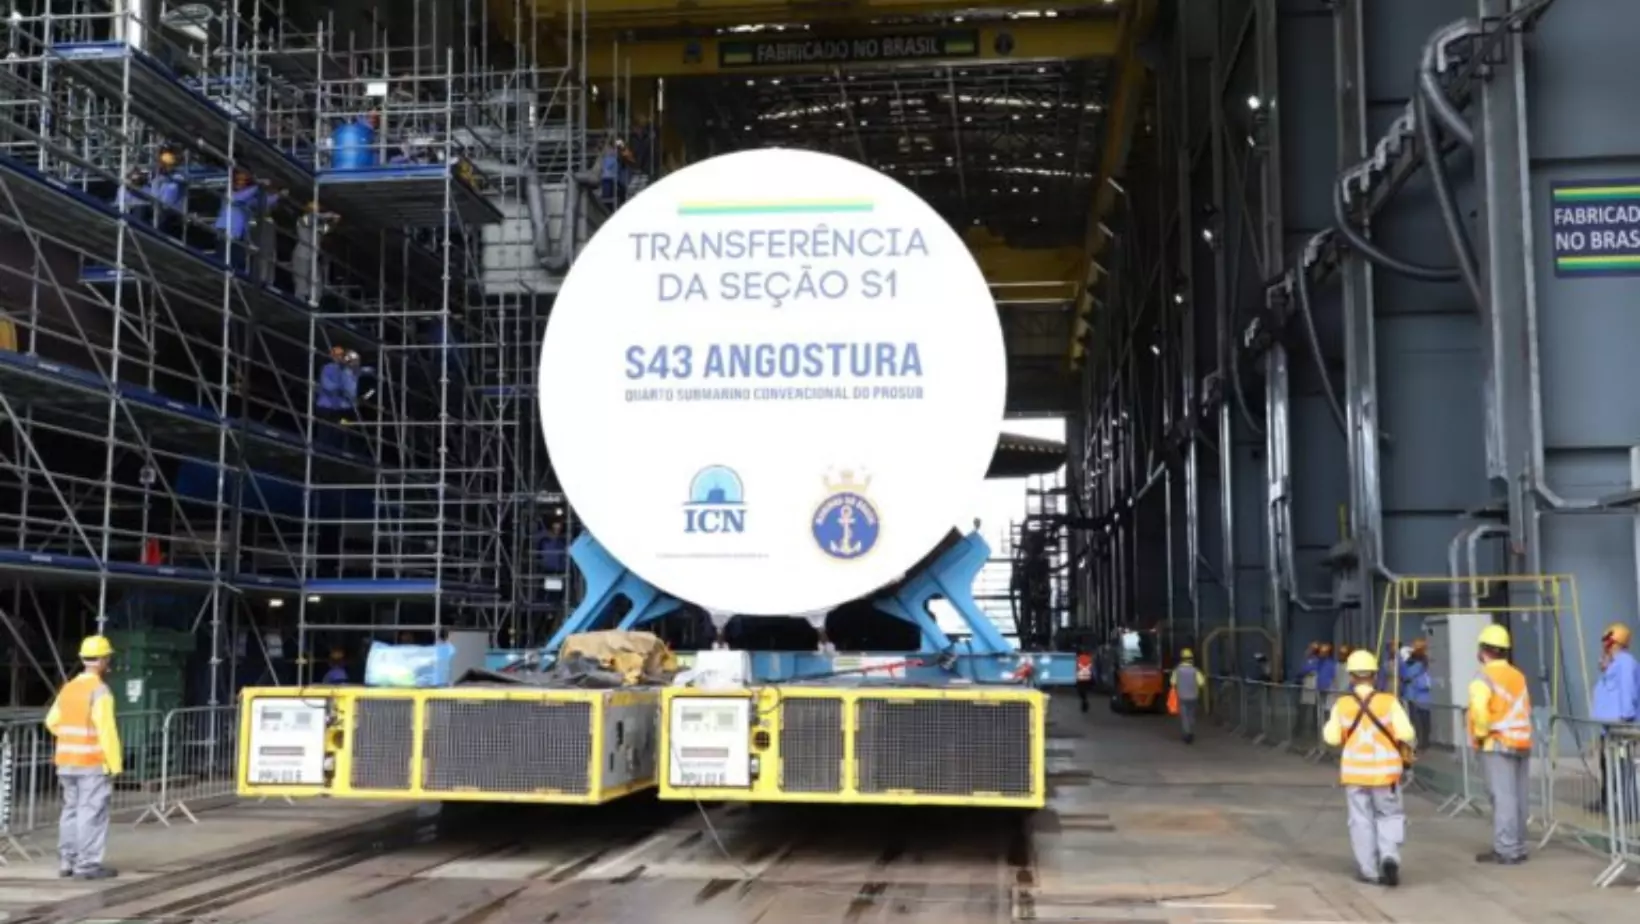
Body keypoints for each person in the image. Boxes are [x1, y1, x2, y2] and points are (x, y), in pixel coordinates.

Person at [1323, 649, 1415, 886]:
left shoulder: (1342, 705)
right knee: (1389, 815)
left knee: (1360, 820)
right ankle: (1389, 856)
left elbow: (1331, 738)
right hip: (1386, 774)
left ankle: (1369, 870)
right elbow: (1407, 733)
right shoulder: (1389, 702)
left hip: (1355, 774)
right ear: (1375, 675)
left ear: (1351, 676)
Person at [44, 635, 122, 880]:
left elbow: (51, 721)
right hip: (91, 763)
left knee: (71, 811)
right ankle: (87, 864)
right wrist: (114, 764)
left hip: (66, 761)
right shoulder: (100, 691)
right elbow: (106, 731)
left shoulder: (68, 688)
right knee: (91, 813)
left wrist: (70, 738)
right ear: (103, 660)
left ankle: (67, 861)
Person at [1468, 624, 1532, 864]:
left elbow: (1479, 711)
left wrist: (1480, 734)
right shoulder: (1518, 676)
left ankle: (1506, 849)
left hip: (1496, 743)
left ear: (1482, 649)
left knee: (1503, 798)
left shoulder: (1483, 677)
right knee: (1518, 797)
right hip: (1521, 742)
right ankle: (1518, 844)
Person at [1591, 622, 1639, 814]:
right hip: (1609, 728)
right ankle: (1608, 801)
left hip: (1619, 727)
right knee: (1607, 765)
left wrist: (1625, 720)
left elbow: (1628, 691)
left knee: (1618, 766)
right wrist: (1606, 668)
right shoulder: (1616, 664)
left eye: (1608, 643)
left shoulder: (1626, 663)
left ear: (1614, 643)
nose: (1605, 648)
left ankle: (1622, 805)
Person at [314, 345, 358, 447]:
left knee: (340, 429)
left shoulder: (347, 371)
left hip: (340, 408)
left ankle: (336, 446)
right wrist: (341, 391)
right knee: (326, 428)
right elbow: (327, 385)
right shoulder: (328, 368)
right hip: (327, 406)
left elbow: (349, 388)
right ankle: (323, 446)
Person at [1401, 638, 1433, 748]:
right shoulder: (1423, 661)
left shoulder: (1412, 662)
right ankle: (1423, 741)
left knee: (1416, 720)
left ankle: (1419, 741)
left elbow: (1406, 675)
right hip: (1420, 695)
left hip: (1414, 694)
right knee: (1423, 721)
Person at [1170, 649, 1201, 744]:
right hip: (1193, 696)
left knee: (1184, 716)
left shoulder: (1177, 671)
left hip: (1182, 696)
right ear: (1191, 659)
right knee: (1191, 715)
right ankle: (1191, 731)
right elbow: (1201, 682)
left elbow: (1172, 682)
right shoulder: (1195, 671)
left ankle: (1187, 734)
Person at [1297, 642, 1323, 739]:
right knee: (1303, 709)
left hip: (1314, 688)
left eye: (1309, 649)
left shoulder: (1316, 661)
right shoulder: (1308, 660)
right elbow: (1301, 672)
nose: (1307, 651)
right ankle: (1299, 730)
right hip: (1306, 687)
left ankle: (1315, 732)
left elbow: (1305, 670)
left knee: (1314, 711)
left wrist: (1305, 672)